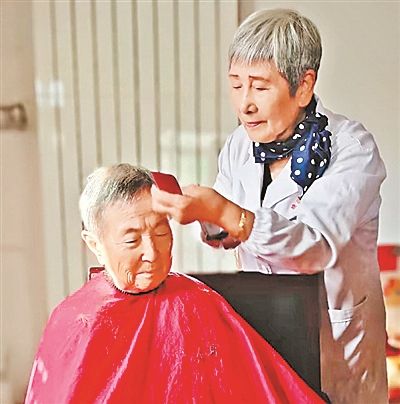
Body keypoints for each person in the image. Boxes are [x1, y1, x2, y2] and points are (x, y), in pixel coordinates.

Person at [151, 8, 388, 404]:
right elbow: (226, 227)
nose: (244, 104)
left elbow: (315, 247)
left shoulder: (352, 150)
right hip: (266, 328)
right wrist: (205, 214)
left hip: (337, 345)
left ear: (304, 86)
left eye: (259, 87)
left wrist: (224, 212)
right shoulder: (240, 144)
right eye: (235, 85)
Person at [24, 164, 326, 404]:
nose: (152, 253)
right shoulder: (76, 321)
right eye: (131, 240)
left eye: (160, 233)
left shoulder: (198, 302)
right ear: (95, 245)